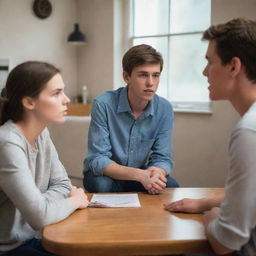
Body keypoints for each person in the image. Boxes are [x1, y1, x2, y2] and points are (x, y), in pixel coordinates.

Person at [164, 18, 256, 256]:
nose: (205, 71)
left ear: (234, 67)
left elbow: (226, 243)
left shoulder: (248, 130)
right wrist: (204, 202)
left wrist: (211, 217)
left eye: (209, 61)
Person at [0, 61, 89, 256]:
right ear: (29, 102)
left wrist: (42, 205)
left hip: (32, 238)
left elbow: (63, 185)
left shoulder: (42, 134)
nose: (66, 99)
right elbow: (39, 217)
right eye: (56, 93)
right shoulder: (7, 142)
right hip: (8, 248)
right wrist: (75, 201)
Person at [83, 44, 179, 194]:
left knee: (170, 185)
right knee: (101, 186)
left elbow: (163, 157)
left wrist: (157, 172)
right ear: (126, 77)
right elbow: (98, 159)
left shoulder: (164, 108)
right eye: (143, 75)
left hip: (141, 175)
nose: (150, 83)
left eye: (155, 75)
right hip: (106, 175)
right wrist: (140, 175)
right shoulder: (103, 104)